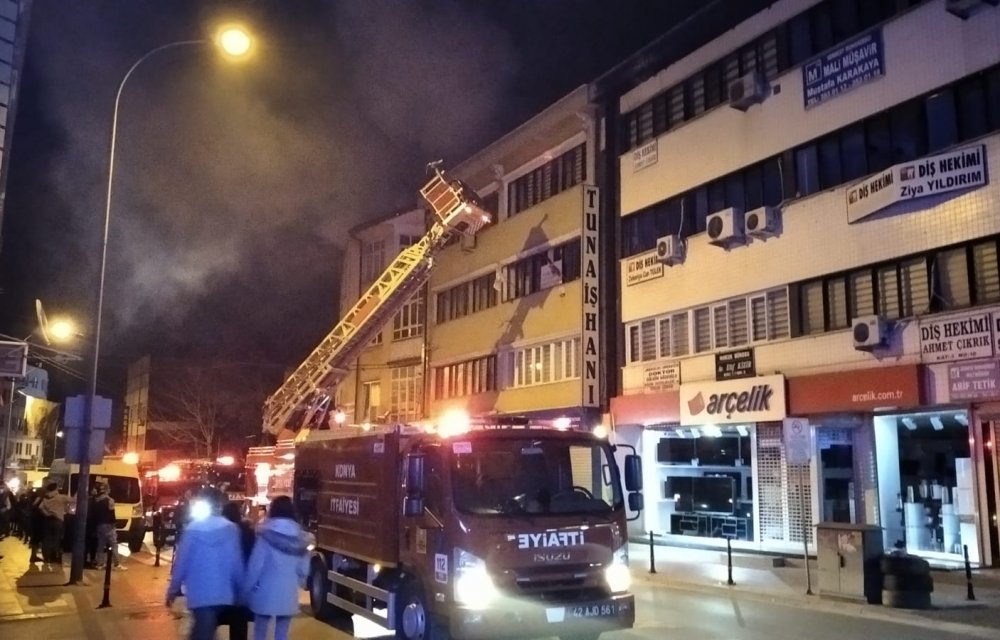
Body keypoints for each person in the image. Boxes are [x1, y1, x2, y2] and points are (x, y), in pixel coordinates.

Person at [166, 488, 244, 640]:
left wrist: (173, 590)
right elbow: (236, 563)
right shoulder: (231, 529)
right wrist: (241, 589)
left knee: (203, 630)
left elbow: (181, 563)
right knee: (205, 630)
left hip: (199, 593)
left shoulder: (192, 530)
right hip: (223, 592)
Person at [242, 496, 309, 640]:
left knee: (260, 632)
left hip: (264, 593)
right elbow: (304, 570)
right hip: (288, 592)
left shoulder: (265, 535)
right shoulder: (300, 539)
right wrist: (299, 581)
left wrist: (246, 591)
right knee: (282, 634)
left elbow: (255, 567)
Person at [219, 501, 255, 640]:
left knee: (211, 624)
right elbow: (252, 557)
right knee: (239, 626)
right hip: (241, 587)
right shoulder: (247, 532)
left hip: (221, 588)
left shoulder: (219, 532)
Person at [38, 482, 72, 564]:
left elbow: (40, 507)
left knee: (47, 539)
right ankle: (55, 556)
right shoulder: (61, 497)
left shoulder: (46, 498)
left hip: (48, 520)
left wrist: (47, 513)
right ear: (56, 488)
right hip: (58, 520)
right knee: (57, 538)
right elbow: (72, 500)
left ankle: (46, 557)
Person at [93, 481, 124, 570]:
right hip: (108, 525)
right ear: (107, 490)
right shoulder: (110, 500)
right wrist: (113, 524)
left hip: (99, 525)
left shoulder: (97, 500)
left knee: (100, 545)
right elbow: (111, 514)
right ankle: (117, 564)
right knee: (114, 544)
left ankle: (100, 563)